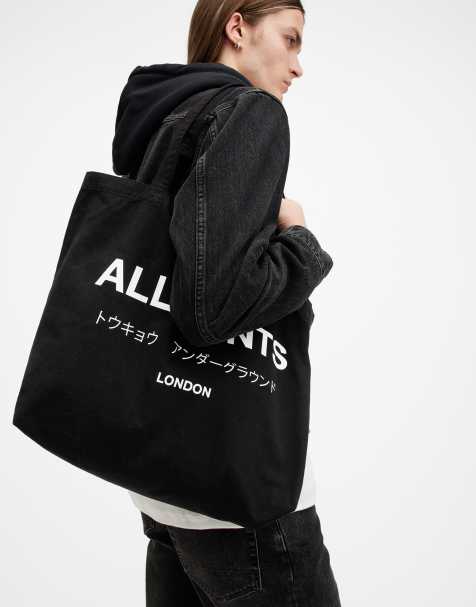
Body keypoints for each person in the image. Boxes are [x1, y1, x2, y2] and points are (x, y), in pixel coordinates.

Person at [112, 1, 341, 604]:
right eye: (290, 40)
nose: (298, 65)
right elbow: (212, 308)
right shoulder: (250, 112)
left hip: (160, 481)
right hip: (239, 494)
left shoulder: (165, 112)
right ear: (237, 27)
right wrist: (300, 242)